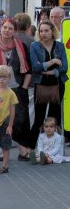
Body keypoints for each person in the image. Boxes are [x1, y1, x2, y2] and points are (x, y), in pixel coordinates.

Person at [0, 18, 32, 160]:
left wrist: (23, 87)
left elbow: (29, 70)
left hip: (17, 89)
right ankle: (3, 150)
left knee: (21, 120)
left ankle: (23, 151)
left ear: (14, 31)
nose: (7, 30)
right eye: (5, 27)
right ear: (1, 28)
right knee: (0, 121)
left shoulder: (21, 47)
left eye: (10, 28)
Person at [29, 21, 68, 152]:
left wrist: (52, 71)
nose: (43, 33)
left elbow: (65, 67)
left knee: (55, 117)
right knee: (39, 118)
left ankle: (53, 148)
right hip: (41, 84)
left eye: (46, 31)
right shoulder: (35, 46)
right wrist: (53, 61)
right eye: (41, 31)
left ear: (52, 32)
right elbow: (35, 67)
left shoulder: (60, 46)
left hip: (57, 85)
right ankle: (31, 147)